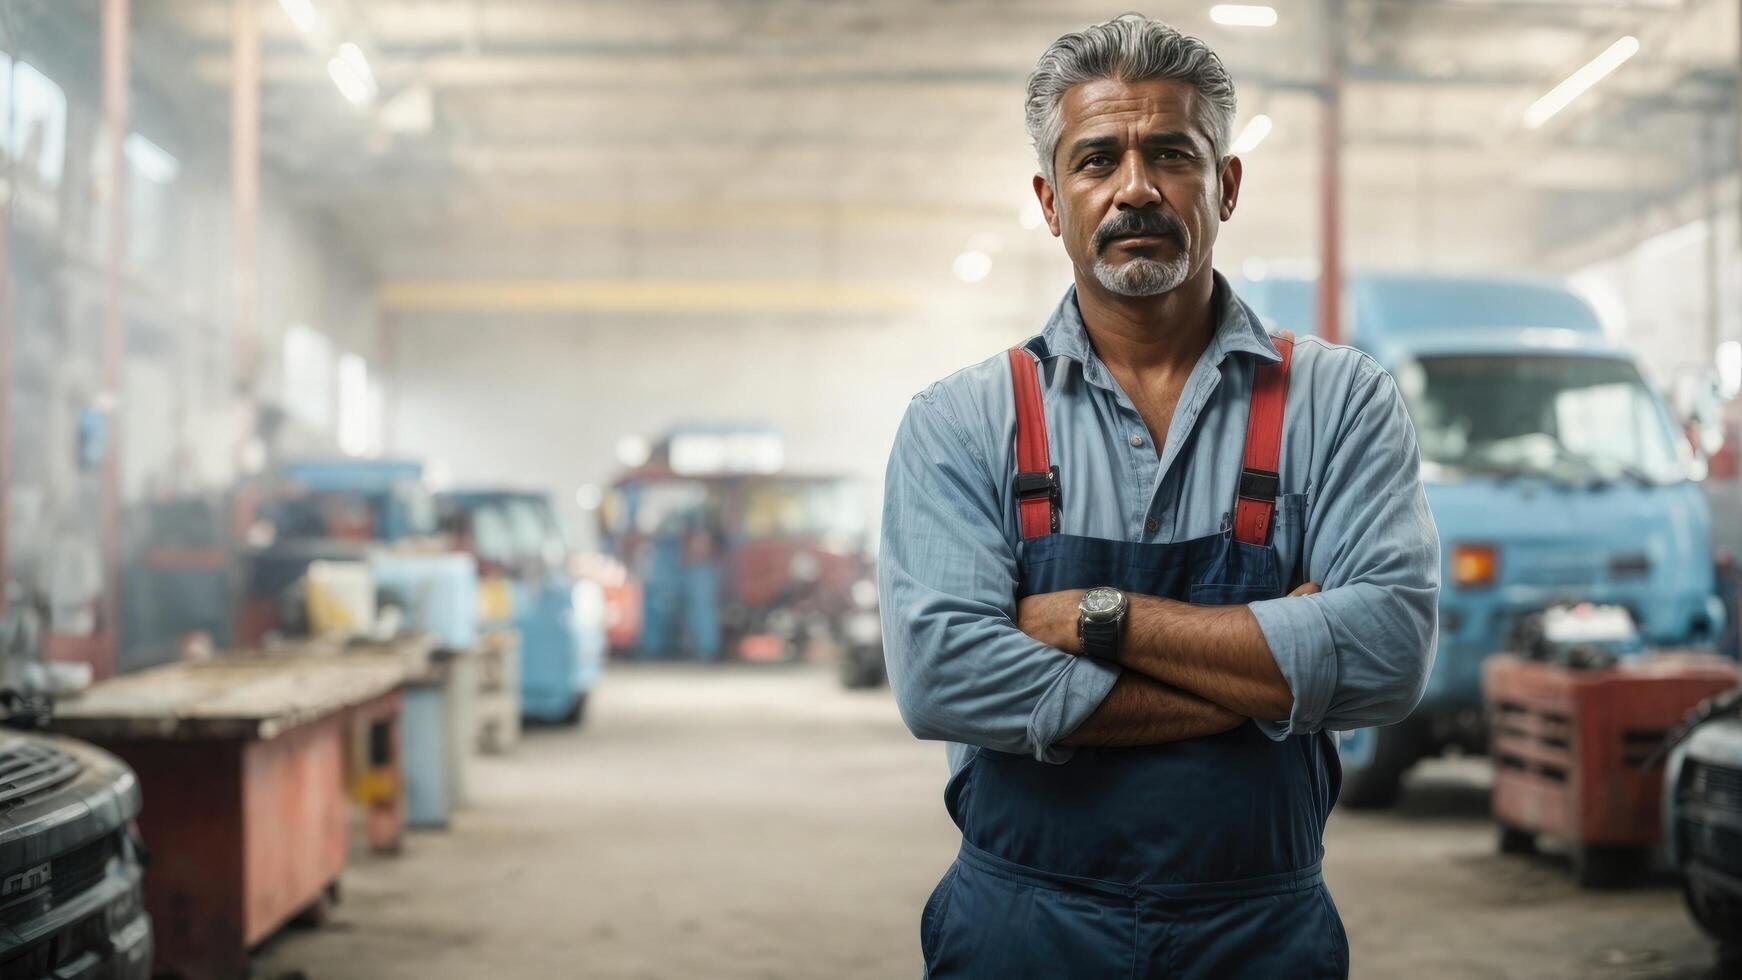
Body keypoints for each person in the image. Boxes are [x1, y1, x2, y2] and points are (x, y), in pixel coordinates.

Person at [878, 14, 1439, 979]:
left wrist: (1103, 619)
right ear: (1052, 201)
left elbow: (1386, 655)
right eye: (1097, 159)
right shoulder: (963, 422)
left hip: (1259, 931)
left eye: (1170, 153)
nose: (1134, 187)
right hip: (1023, 930)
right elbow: (942, 676)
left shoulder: (1340, 403)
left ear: (1223, 184)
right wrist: (1268, 675)